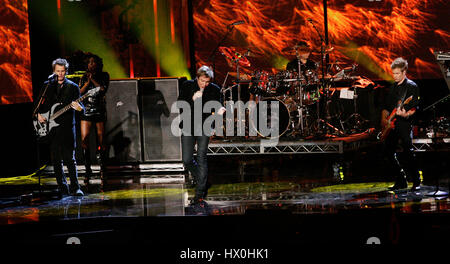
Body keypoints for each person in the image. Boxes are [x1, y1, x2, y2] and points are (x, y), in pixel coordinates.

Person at [177, 66, 225, 205]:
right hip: (188, 125)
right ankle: (202, 180)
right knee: (186, 159)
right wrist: (193, 98)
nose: (205, 84)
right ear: (197, 78)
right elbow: (180, 105)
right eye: (203, 81)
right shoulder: (187, 86)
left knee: (201, 157)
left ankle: (199, 194)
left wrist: (220, 109)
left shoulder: (214, 89)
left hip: (204, 126)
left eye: (207, 81)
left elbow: (217, 105)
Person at [36, 58, 84, 196]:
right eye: (58, 71)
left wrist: (79, 108)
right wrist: (39, 115)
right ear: (53, 71)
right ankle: (62, 188)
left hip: (67, 129)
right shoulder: (47, 86)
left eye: (63, 71)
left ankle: (76, 188)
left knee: (70, 159)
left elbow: (82, 108)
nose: (60, 74)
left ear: (66, 71)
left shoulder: (73, 87)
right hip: (52, 129)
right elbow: (38, 105)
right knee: (56, 160)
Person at [381, 57, 421, 191]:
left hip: (404, 123)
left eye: (397, 73)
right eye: (393, 73)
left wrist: (405, 114)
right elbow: (386, 107)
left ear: (404, 72)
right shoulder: (392, 87)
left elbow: (414, 108)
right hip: (392, 124)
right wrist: (384, 119)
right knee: (387, 151)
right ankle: (401, 180)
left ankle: (416, 181)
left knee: (408, 152)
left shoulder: (411, 87)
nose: (395, 76)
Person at [78, 53, 110, 181]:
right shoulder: (82, 77)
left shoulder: (104, 75)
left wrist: (92, 80)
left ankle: (103, 168)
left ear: (98, 64)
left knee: (101, 141)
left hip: (99, 110)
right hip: (86, 111)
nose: (91, 64)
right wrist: (86, 82)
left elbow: (102, 89)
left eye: (93, 62)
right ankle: (87, 169)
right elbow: (79, 93)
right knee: (84, 140)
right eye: (89, 62)